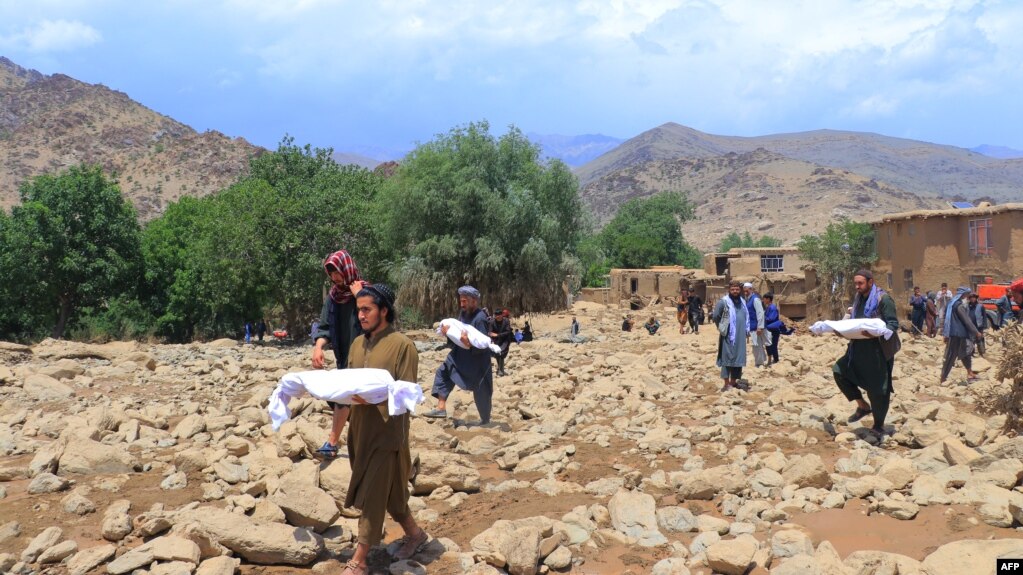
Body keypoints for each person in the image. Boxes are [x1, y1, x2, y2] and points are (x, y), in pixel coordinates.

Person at [340, 283, 429, 575]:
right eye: (359, 310)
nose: (361, 315)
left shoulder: (403, 346)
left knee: (375, 495)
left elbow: (408, 395)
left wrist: (373, 396)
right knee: (390, 494)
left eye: (367, 309)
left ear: (384, 311)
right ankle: (415, 535)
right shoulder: (356, 344)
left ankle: (361, 559)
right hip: (360, 431)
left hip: (388, 435)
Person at [311, 250, 367, 458]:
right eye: (331, 273)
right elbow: (324, 327)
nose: (335, 278)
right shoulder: (333, 298)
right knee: (341, 396)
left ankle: (332, 441)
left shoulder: (365, 290)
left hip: (366, 356)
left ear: (347, 268)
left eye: (337, 272)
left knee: (346, 395)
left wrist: (359, 297)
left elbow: (376, 319)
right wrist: (318, 347)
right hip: (343, 356)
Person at [833, 270, 901, 438]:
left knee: (878, 389)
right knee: (839, 371)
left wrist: (875, 334)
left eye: (860, 283)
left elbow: (893, 325)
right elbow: (856, 321)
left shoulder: (883, 299)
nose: (857, 287)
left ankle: (879, 425)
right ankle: (863, 406)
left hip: (877, 351)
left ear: (870, 282)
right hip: (857, 348)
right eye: (855, 283)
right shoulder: (858, 299)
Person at [426, 286, 495, 424]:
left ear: (474, 301)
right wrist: (448, 333)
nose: (461, 304)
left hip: (476, 361)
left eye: (464, 301)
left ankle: (485, 420)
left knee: (482, 390)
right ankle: (441, 408)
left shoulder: (480, 318)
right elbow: (458, 334)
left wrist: (468, 343)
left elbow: (482, 344)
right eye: (461, 301)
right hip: (458, 356)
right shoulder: (463, 314)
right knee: (443, 372)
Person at [940, 287, 982, 384]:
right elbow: (966, 321)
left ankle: (969, 372)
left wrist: (945, 333)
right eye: (967, 295)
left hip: (957, 333)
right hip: (957, 334)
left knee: (965, 352)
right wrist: (976, 332)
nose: (967, 297)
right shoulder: (959, 306)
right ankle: (943, 377)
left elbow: (945, 319)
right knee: (951, 355)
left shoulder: (951, 304)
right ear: (963, 295)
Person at [712, 280, 749, 392]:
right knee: (727, 358)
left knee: (738, 358)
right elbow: (715, 316)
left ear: (740, 290)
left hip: (741, 336)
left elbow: (746, 317)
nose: (735, 291)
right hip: (729, 336)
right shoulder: (723, 302)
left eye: (737, 289)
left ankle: (733, 382)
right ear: (729, 290)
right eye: (733, 289)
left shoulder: (742, 301)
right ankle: (726, 383)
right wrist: (722, 327)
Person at [762, 292, 794, 365]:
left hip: (773, 330)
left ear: (768, 299)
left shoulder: (772, 307)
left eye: (764, 299)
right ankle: (771, 360)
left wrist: (763, 317)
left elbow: (771, 318)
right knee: (769, 345)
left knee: (773, 345)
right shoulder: (768, 307)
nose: (763, 300)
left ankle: (776, 360)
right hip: (769, 329)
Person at [743, 283, 768, 368]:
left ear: (751, 289)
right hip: (751, 326)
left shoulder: (755, 299)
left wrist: (760, 327)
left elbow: (760, 313)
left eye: (747, 290)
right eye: (744, 290)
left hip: (756, 327)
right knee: (755, 344)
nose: (745, 292)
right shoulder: (748, 299)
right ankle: (760, 361)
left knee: (757, 344)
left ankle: (760, 363)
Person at [489, 309, 513, 376]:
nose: (498, 317)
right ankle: (500, 370)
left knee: (502, 354)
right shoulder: (492, 322)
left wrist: (498, 335)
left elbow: (508, 332)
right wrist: (492, 340)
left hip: (505, 340)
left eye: (499, 315)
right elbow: (490, 332)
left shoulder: (506, 321)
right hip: (496, 341)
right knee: (497, 354)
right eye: (496, 315)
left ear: (502, 315)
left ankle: (500, 370)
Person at [966, 292, 987, 357]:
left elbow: (984, 316)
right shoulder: (967, 306)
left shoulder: (980, 306)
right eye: (971, 298)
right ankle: (971, 353)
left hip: (979, 326)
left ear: (976, 298)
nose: (972, 299)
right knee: (971, 340)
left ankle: (982, 353)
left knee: (980, 339)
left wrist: (984, 326)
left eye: (974, 298)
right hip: (970, 326)